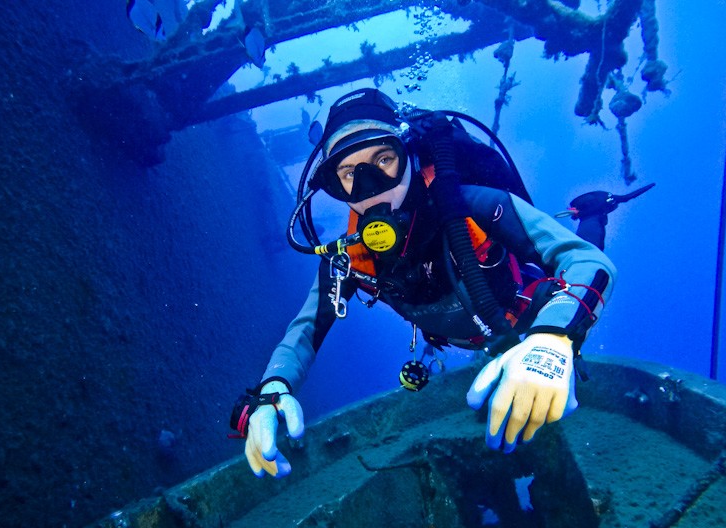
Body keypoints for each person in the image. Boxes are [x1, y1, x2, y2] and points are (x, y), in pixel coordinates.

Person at [231, 88, 618, 479]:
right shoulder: (349, 256)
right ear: (334, 187)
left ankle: (593, 213)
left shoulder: (476, 206)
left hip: (525, 315)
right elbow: (304, 330)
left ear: (410, 156)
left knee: (580, 256)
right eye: (350, 174)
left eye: (383, 160)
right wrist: (271, 391)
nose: (370, 186)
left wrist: (552, 340)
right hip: (468, 334)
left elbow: (587, 261)